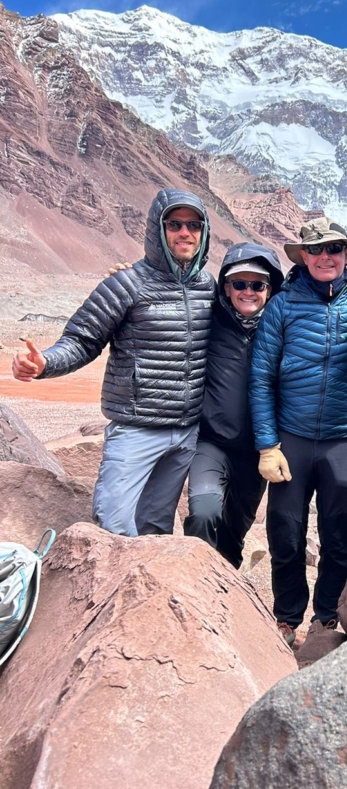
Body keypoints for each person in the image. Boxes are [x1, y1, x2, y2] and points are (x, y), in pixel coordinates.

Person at [12, 189, 215, 536]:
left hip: (186, 432)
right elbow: (82, 340)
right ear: (157, 230)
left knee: (155, 528)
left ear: (204, 231)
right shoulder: (126, 284)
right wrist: (44, 363)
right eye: (175, 224)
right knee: (113, 526)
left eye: (193, 225)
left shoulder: (209, 286)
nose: (185, 233)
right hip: (136, 429)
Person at [249, 218, 347, 649]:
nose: (324, 257)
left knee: (340, 533)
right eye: (315, 249)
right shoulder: (282, 305)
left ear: (345, 255)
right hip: (291, 438)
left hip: (343, 436)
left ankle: (327, 615)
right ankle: (287, 616)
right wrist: (267, 444)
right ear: (303, 256)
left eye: (334, 248)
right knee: (285, 530)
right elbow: (261, 377)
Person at [183, 243, 283, 567]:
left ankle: (223, 601)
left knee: (233, 535)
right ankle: (193, 581)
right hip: (212, 442)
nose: (248, 292)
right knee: (204, 511)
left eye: (257, 285)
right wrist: (127, 280)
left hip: (258, 452)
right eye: (240, 283)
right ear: (226, 286)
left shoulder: (283, 328)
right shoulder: (208, 319)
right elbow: (166, 297)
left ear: (270, 289)